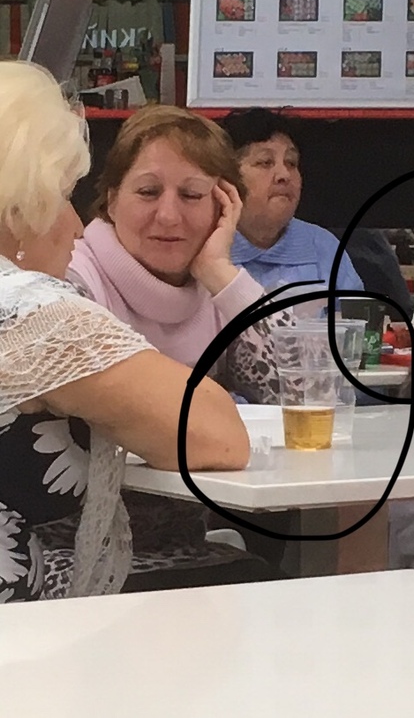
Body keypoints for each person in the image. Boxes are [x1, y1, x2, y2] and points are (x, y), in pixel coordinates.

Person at [0, 61, 249, 603]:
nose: (75, 225)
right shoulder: (29, 310)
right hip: (27, 626)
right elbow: (218, 435)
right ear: (20, 208)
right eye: (64, 195)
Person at [61, 105, 292, 589]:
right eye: (148, 192)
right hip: (66, 557)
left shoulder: (216, 294)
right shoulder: (71, 283)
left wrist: (221, 273)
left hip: (185, 549)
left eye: (191, 195)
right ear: (110, 199)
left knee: (282, 600)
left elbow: (303, 394)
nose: (168, 215)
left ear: (224, 207)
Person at [220, 108, 363, 301]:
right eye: (265, 162)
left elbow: (356, 318)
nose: (284, 175)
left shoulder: (322, 246)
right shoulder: (202, 245)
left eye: (291, 163)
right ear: (227, 177)